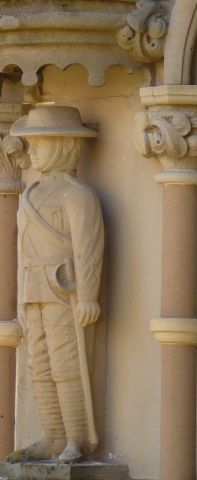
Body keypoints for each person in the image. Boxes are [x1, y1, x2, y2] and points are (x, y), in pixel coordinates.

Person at [6, 106, 103, 463]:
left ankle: (76, 436)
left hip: (63, 290)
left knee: (67, 363)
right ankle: (53, 435)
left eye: (38, 144)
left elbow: (89, 248)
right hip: (33, 290)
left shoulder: (77, 194)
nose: (31, 152)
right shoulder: (30, 195)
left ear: (63, 145)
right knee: (39, 364)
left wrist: (89, 295)